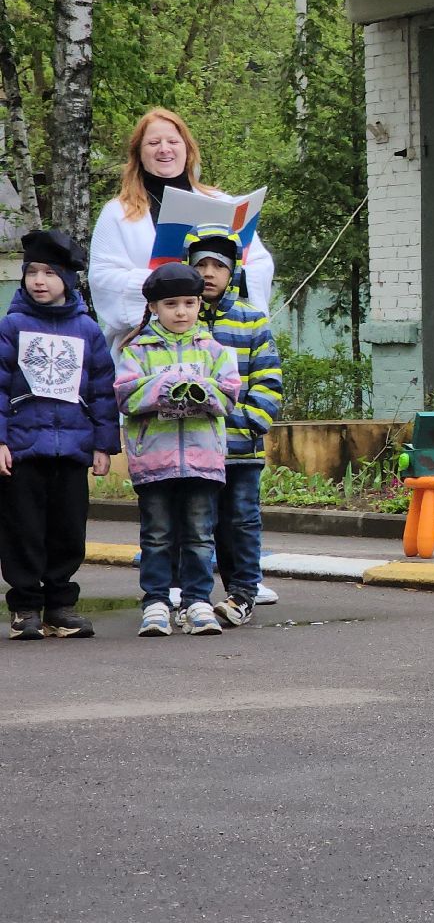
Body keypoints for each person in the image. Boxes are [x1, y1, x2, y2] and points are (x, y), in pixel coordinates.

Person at [89, 107, 280, 606]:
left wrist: (216, 285)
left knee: (223, 493)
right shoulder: (119, 213)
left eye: (172, 141)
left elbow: (256, 262)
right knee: (167, 491)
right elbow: (104, 280)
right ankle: (169, 585)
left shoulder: (217, 202)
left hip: (212, 348)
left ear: (187, 148)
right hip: (152, 356)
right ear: (138, 153)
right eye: (153, 143)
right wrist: (163, 282)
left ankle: (239, 585)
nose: (164, 150)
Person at [0, 230, 118, 640]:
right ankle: (26, 608)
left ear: (67, 279)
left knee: (68, 529)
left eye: (50, 272)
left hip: (72, 449)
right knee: (23, 529)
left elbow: (102, 389)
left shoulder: (87, 330)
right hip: (22, 449)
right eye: (32, 271)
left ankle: (60, 607)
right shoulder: (12, 325)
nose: (39, 280)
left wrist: (104, 443)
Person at [116, 263, 242, 638]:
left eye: (190, 302)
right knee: (156, 534)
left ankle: (197, 601)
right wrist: (166, 385)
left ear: (200, 304)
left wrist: (202, 391)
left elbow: (230, 394)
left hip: (204, 461)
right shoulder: (136, 350)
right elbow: (125, 395)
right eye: (171, 304)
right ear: (154, 307)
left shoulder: (215, 350)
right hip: (154, 461)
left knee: (201, 534)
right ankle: (156, 601)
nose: (182, 311)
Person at [187, 225, 282, 628]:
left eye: (217, 266)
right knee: (196, 525)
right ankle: (192, 597)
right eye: (201, 265)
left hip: (242, 451)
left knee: (241, 523)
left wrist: (243, 423)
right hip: (192, 451)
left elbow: (269, 384)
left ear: (232, 273)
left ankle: (242, 593)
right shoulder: (179, 322)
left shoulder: (252, 321)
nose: (209, 273)